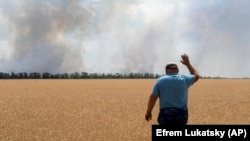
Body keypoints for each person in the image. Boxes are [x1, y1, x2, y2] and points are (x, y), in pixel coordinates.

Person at [145, 53, 199, 126]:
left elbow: (153, 97)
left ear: (166, 70)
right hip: (181, 112)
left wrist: (148, 112)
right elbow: (196, 76)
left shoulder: (160, 80)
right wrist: (188, 64)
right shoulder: (184, 79)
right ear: (177, 70)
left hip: (165, 113)